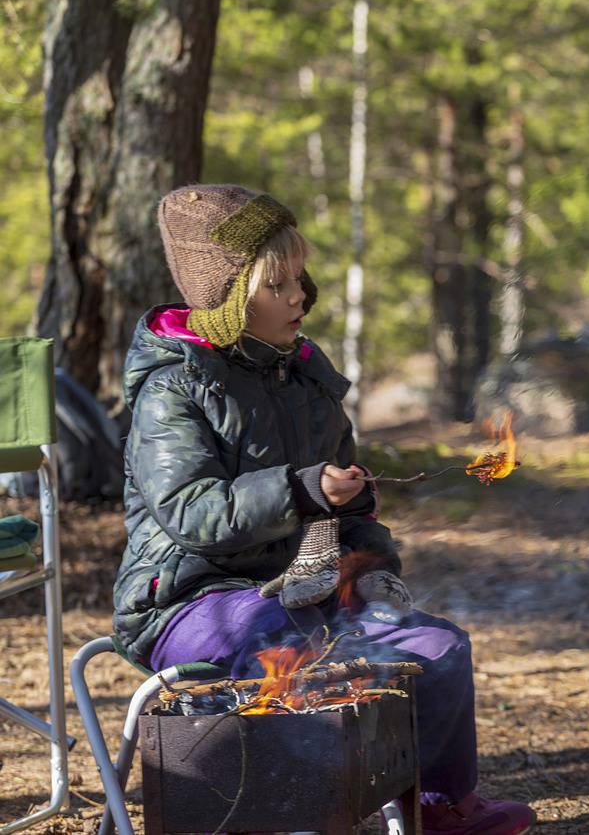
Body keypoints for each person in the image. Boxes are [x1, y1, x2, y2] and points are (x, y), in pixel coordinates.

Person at [112, 184, 535, 835]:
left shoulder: (307, 377)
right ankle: (296, 813)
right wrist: (304, 488)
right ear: (227, 298)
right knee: (305, 647)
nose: (299, 295)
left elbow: (348, 508)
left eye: (299, 278)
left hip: (301, 591)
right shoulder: (174, 387)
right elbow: (192, 512)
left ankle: (442, 804)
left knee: (438, 646)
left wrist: (370, 563)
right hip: (189, 598)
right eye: (276, 283)